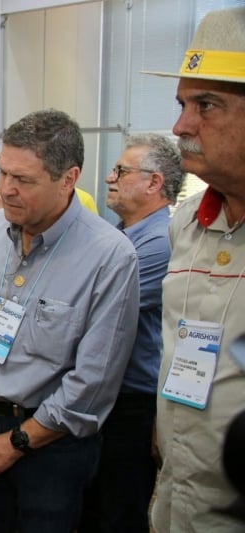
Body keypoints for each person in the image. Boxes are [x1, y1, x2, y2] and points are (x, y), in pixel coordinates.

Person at [0, 109, 140, 532]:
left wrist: (15, 443)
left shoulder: (110, 256)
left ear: (68, 179)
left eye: (23, 180)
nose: (6, 190)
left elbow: (94, 382)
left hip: (53, 448)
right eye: (4, 174)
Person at [143, 6, 245, 531]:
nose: (181, 125)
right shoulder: (186, 222)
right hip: (179, 493)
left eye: (206, 104)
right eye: (182, 103)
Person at [80, 134, 184, 532]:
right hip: (109, 393)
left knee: (118, 509)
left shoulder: (159, 242)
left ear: (154, 183)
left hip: (131, 401)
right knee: (96, 503)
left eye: (121, 171)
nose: (109, 177)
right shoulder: (123, 231)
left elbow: (92, 307)